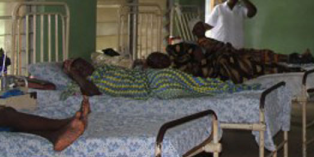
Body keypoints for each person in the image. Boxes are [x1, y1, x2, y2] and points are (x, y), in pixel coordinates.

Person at [62, 54, 258, 99]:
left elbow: (128, 73)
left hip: (148, 77)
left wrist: (140, 67)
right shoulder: (87, 84)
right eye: (79, 68)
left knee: (199, 82)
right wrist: (74, 74)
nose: (84, 66)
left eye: (83, 62)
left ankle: (232, 87)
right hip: (148, 85)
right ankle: (230, 89)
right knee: (189, 87)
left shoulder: (104, 69)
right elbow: (93, 93)